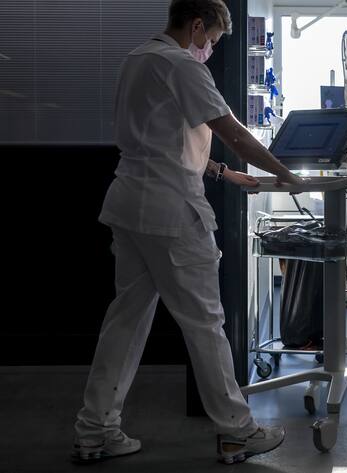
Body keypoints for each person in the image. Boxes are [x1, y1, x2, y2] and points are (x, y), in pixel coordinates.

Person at [72, 0, 301, 464]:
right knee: (205, 323)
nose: (211, 50)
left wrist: (224, 173)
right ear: (197, 26)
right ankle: (239, 431)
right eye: (212, 40)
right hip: (171, 212)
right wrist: (286, 173)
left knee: (125, 322)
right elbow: (233, 132)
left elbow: (160, 138)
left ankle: (95, 429)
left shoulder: (137, 59)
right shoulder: (183, 65)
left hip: (130, 203)